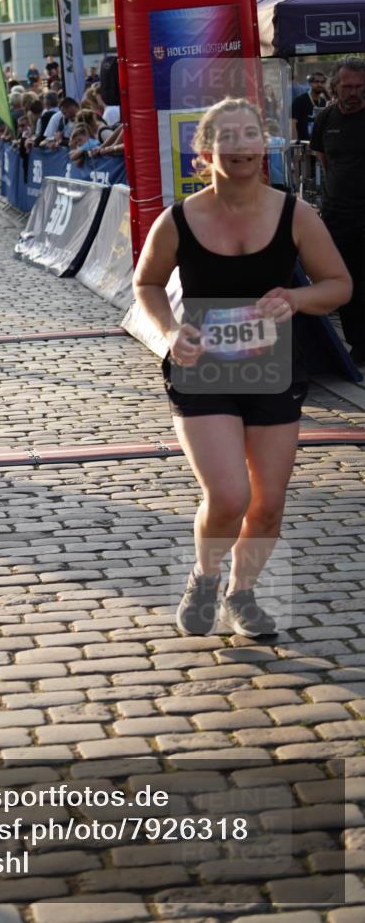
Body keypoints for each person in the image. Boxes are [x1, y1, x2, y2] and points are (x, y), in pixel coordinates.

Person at [133, 97, 351, 638]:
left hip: (271, 368)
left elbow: (339, 286)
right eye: (226, 138)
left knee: (269, 504)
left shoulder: (294, 213)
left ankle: (243, 594)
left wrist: (297, 301)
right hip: (202, 367)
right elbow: (147, 284)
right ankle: (205, 577)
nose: (239, 146)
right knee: (230, 496)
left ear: (265, 146)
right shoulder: (178, 218)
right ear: (205, 152)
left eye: (249, 135)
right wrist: (166, 332)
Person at [310, 56, 365, 365]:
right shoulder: (325, 120)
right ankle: (358, 344)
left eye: (359, 87)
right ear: (336, 86)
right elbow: (324, 160)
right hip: (338, 214)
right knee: (347, 281)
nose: (353, 92)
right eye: (347, 87)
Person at [291, 72, 328, 141]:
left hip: (319, 143)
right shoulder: (299, 101)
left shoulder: (324, 102)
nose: (319, 84)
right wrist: (295, 144)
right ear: (310, 83)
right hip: (304, 143)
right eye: (316, 82)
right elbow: (292, 123)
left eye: (322, 82)